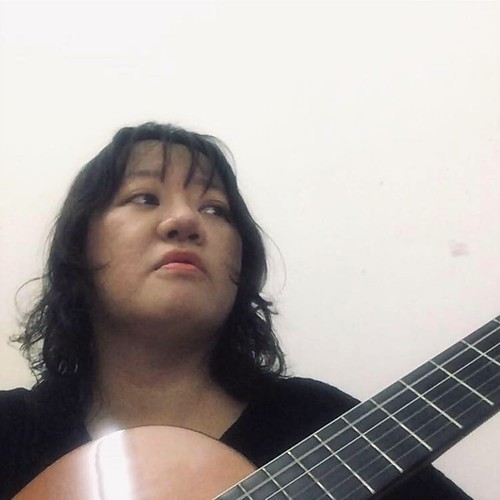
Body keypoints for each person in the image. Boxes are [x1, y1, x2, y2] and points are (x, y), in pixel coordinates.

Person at [0, 122, 470, 499]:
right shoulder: (12, 431)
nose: (185, 220)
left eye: (215, 209)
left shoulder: (321, 424)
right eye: (144, 198)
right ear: (79, 246)